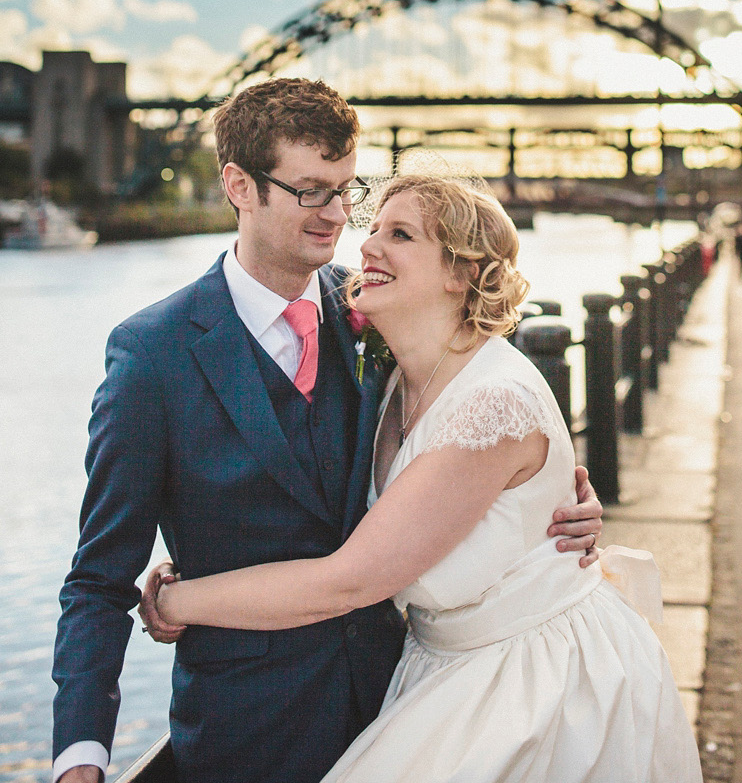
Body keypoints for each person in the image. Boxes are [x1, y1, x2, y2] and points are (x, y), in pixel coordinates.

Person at [51, 80, 601, 783]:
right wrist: (80, 757)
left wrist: (555, 507)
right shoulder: (152, 356)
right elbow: (98, 580)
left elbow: (483, 427)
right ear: (240, 186)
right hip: (245, 730)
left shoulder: (379, 311)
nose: (339, 215)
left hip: (406, 702)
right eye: (312, 191)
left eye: (347, 189)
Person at [142, 175, 702, 783]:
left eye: (401, 234)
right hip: (440, 663)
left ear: (459, 274)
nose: (369, 247)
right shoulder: (387, 379)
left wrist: (177, 601)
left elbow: (349, 580)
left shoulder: (492, 405)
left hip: (531, 684)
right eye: (375, 229)